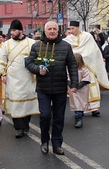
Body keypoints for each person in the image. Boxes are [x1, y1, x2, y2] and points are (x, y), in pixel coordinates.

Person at [26, 20, 78, 155]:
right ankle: (44, 141)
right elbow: (29, 63)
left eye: (54, 29)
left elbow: (72, 65)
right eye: (49, 29)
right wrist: (38, 69)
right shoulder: (37, 46)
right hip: (43, 88)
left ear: (58, 30)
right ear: (45, 31)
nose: (52, 31)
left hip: (60, 87)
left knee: (59, 117)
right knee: (45, 115)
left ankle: (57, 143)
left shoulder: (66, 47)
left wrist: (74, 83)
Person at [0, 20, 39, 139]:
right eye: (11, 31)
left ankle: (25, 124)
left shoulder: (31, 43)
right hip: (13, 79)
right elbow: (0, 60)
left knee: (27, 104)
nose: (12, 33)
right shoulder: (6, 44)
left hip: (28, 77)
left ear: (21, 30)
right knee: (16, 105)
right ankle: (18, 128)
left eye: (14, 30)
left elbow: (37, 58)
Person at [64, 20, 109, 121]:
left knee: (92, 87)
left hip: (89, 66)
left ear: (77, 28)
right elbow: (68, 53)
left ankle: (95, 108)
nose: (71, 31)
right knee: (79, 89)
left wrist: (81, 56)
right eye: (70, 29)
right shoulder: (68, 39)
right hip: (76, 68)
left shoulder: (87, 36)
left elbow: (93, 51)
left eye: (73, 28)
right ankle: (80, 109)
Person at [69, 53, 95, 128]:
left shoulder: (84, 69)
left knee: (81, 103)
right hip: (73, 90)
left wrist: (78, 86)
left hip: (82, 89)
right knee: (76, 103)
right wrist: (72, 85)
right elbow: (67, 77)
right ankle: (78, 118)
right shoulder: (69, 69)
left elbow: (86, 79)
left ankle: (79, 114)